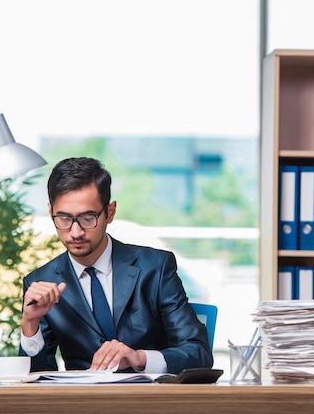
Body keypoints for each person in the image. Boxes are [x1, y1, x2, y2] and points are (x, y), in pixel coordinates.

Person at [19, 157, 212, 374]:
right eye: (63, 219)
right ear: (50, 212)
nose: (75, 232)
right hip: (84, 405)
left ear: (110, 212)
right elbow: (37, 380)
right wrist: (30, 324)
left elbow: (199, 354)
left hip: (151, 403)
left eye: (88, 218)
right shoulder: (40, 282)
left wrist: (139, 358)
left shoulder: (155, 268)